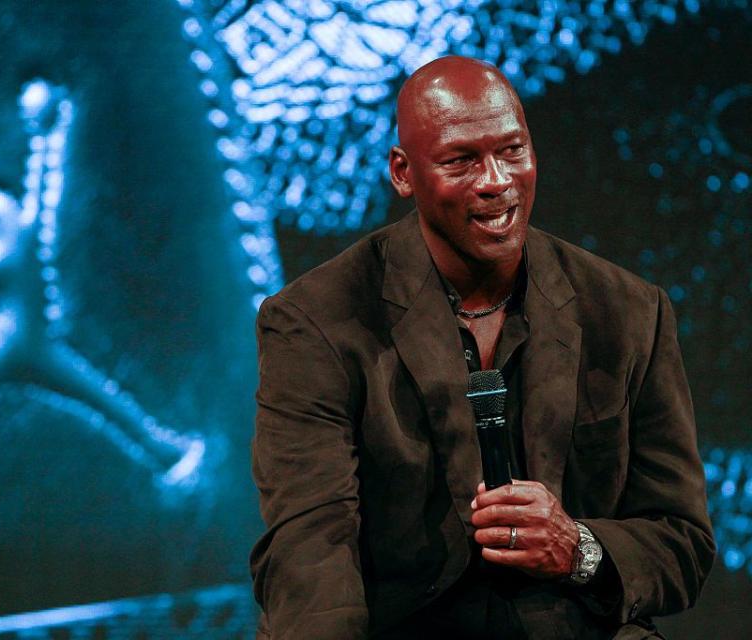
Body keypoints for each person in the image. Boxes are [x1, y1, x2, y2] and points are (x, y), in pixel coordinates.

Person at [249, 56, 714, 639]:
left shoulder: (626, 311)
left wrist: (579, 547)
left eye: (512, 150)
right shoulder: (315, 321)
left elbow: (682, 540)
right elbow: (309, 543)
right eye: (460, 160)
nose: (496, 179)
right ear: (402, 172)